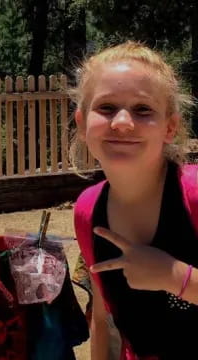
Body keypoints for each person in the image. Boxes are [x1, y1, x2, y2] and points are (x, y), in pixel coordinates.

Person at [71, 41, 198, 359]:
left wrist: (174, 276)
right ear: (82, 123)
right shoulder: (87, 211)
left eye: (143, 110)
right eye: (106, 108)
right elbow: (102, 319)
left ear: (170, 127)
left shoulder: (194, 193)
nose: (122, 122)